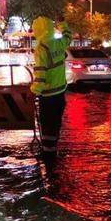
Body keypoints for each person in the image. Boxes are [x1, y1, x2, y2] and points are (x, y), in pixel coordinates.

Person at [30, 16, 72, 161]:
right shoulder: (58, 42)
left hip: (48, 95)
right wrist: (62, 23)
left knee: (47, 124)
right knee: (56, 123)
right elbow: (68, 36)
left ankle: (48, 156)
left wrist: (34, 92)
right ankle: (54, 150)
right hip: (61, 92)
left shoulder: (42, 47)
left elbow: (40, 74)